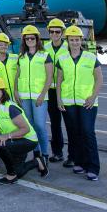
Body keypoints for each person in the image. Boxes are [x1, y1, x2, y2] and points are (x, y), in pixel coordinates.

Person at [55, 25, 103, 181]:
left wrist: (93, 96)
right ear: (67, 41)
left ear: (81, 40)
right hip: (68, 102)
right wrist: (59, 99)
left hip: (87, 102)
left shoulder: (90, 57)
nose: (74, 42)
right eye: (71, 40)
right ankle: (80, 163)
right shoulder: (62, 59)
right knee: (74, 133)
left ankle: (93, 167)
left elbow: (99, 79)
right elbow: (59, 81)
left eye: (77, 39)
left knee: (88, 132)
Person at [0, 76, 47, 185]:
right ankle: (37, 161)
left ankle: (11, 175)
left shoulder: (10, 107)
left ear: (3, 92)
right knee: (19, 171)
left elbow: (25, 129)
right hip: (16, 140)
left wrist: (7, 136)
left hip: (28, 140)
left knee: (0, 144)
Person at [14, 25, 53, 158]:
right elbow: (17, 76)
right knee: (30, 127)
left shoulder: (45, 56)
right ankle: (36, 153)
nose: (30, 40)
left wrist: (42, 95)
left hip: (39, 97)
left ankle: (45, 154)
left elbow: (49, 77)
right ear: (24, 40)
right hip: (24, 97)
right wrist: (15, 91)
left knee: (40, 126)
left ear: (37, 39)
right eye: (27, 38)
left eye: (32, 38)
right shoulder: (22, 57)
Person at [44, 18, 68, 162]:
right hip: (50, 91)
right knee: (55, 123)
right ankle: (57, 152)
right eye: (52, 31)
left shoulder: (69, 48)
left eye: (57, 31)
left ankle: (73, 156)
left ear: (62, 33)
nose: (54, 34)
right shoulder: (45, 48)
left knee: (71, 124)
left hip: (65, 91)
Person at [0, 33, 18, 100]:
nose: (3, 46)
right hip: (2, 96)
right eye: (1, 45)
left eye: (5, 45)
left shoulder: (16, 58)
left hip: (17, 94)